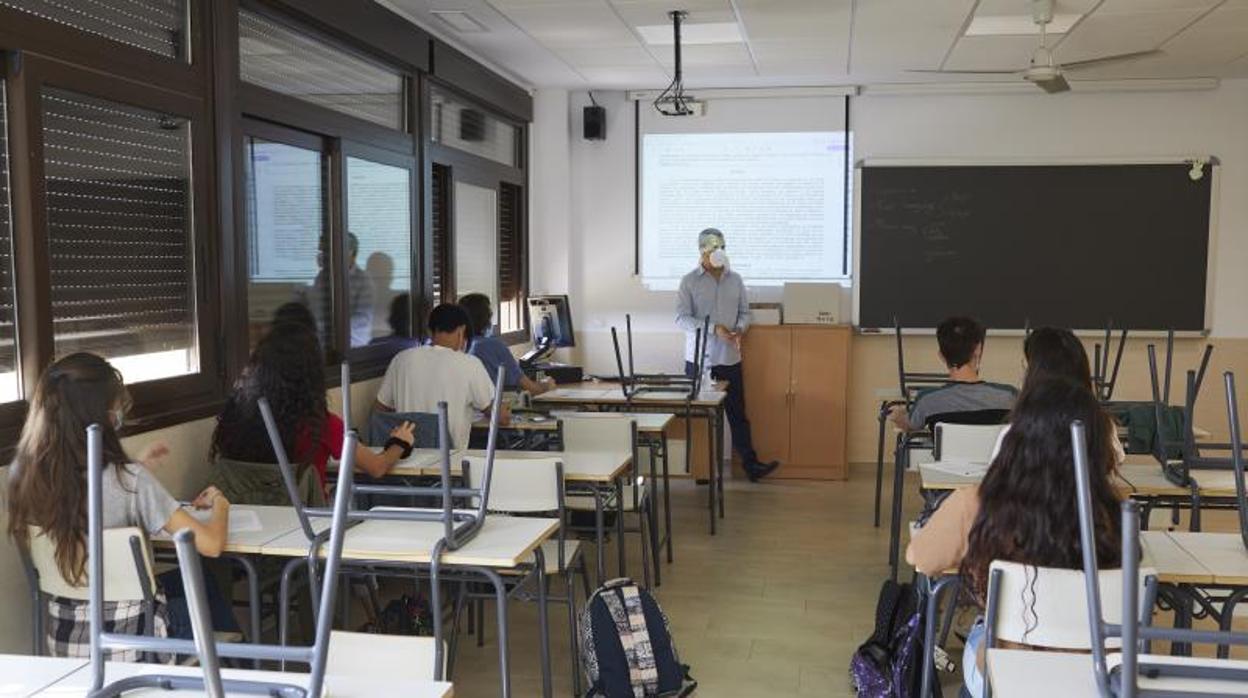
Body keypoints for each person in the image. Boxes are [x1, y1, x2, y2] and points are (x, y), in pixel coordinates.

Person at [5, 353, 239, 659]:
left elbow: (85, 497)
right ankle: (243, 670)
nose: (120, 415)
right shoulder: (130, 480)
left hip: (65, 639)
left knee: (196, 581)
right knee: (204, 590)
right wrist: (221, 504)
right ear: (100, 415)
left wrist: (136, 469)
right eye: (116, 408)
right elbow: (211, 545)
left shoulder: (22, 476)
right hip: (137, 641)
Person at [905, 378, 1123, 696]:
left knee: (983, 649)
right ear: (1098, 444)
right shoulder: (1114, 513)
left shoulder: (977, 502)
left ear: (1016, 438)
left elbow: (920, 558)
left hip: (1009, 670)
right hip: (1099, 679)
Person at [210, 321, 415, 490]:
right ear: (311, 375)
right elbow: (377, 468)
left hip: (251, 525)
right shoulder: (320, 425)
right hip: (308, 526)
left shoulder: (235, 419)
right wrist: (399, 443)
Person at [676, 228, 778, 482]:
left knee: (738, 415)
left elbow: (745, 313)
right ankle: (702, 471)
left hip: (730, 358)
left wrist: (739, 329)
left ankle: (751, 466)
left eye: (720, 247)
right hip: (699, 360)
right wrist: (714, 329)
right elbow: (682, 318)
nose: (717, 253)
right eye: (711, 249)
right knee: (700, 418)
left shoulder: (736, 280)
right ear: (702, 251)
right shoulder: (689, 281)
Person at [376, 303, 510, 449]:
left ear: (431, 330)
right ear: (461, 331)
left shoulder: (401, 360)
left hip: (405, 458)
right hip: (448, 463)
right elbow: (500, 417)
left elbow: (378, 410)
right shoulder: (469, 364)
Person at [989, 326, 1125, 466]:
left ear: (1035, 377)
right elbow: (1117, 464)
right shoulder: (1102, 429)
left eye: (1025, 369)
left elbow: (995, 481)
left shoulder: (1013, 435)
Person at [888, 316, 1016, 432]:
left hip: (948, 459)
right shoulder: (1010, 396)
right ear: (978, 349)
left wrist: (898, 416)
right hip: (995, 459)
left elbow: (910, 426)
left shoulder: (928, 400)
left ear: (941, 356)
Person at [459, 292, 556, 396]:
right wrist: (547, 385)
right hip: (502, 407)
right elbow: (532, 389)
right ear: (486, 319)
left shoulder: (462, 347)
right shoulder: (492, 345)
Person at [300, 232, 375, 348]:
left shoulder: (363, 280)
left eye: (325, 250)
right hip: (321, 344)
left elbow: (362, 318)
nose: (321, 255)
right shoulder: (321, 276)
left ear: (348, 252)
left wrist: (328, 326)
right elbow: (315, 308)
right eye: (321, 251)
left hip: (352, 347)